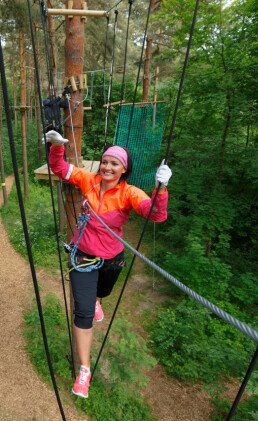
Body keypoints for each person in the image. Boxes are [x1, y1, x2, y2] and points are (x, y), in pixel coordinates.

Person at [45, 130, 172, 399]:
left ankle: (98, 299)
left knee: (101, 293)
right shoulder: (87, 180)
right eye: (105, 161)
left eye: (114, 163)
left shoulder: (129, 193)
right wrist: (57, 146)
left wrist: (161, 190)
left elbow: (156, 214)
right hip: (83, 258)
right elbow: (59, 168)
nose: (107, 167)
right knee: (83, 313)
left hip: (112, 260)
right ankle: (85, 370)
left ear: (124, 170)